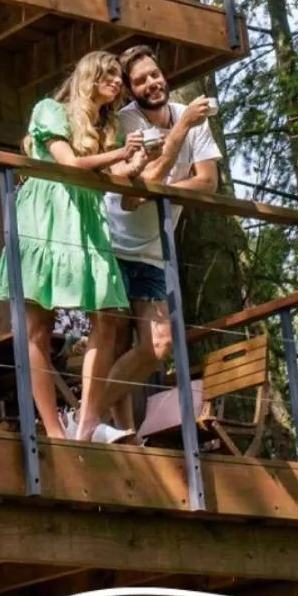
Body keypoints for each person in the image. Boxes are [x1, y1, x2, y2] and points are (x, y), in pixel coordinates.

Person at [0, 51, 146, 442]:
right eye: (109, 73)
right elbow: (66, 163)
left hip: (87, 218)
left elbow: (114, 174)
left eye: (118, 76)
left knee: (108, 316)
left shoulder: (106, 126)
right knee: (37, 326)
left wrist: (138, 161)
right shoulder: (50, 110)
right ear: (89, 75)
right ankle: (54, 428)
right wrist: (119, 155)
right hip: (47, 214)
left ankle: (88, 421)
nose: (116, 80)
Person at [96, 45, 221, 428]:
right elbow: (136, 194)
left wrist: (164, 187)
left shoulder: (192, 116)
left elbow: (208, 182)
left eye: (154, 74)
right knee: (114, 341)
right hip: (112, 243)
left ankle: (87, 414)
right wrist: (180, 134)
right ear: (131, 91)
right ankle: (119, 432)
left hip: (153, 250)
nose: (151, 83)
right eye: (140, 81)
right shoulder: (128, 123)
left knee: (157, 346)